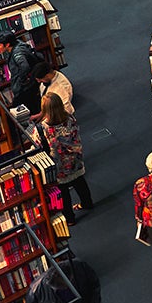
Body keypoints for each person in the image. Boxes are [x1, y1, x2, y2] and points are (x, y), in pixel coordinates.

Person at [34, 92, 92, 223]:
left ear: (44, 110)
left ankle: (70, 218)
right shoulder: (70, 118)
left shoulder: (42, 129)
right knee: (80, 181)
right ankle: (87, 203)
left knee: (63, 192)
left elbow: (36, 146)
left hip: (58, 167)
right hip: (75, 159)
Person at [22, 253, 102, 303]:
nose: (65, 289)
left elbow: (94, 287)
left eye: (67, 287)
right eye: (62, 288)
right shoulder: (35, 291)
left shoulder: (80, 267)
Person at [0, 32, 44, 110]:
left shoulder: (17, 53)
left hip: (25, 89)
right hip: (27, 86)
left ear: (7, 45)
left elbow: (25, 67)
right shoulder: (16, 42)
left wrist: (21, 81)